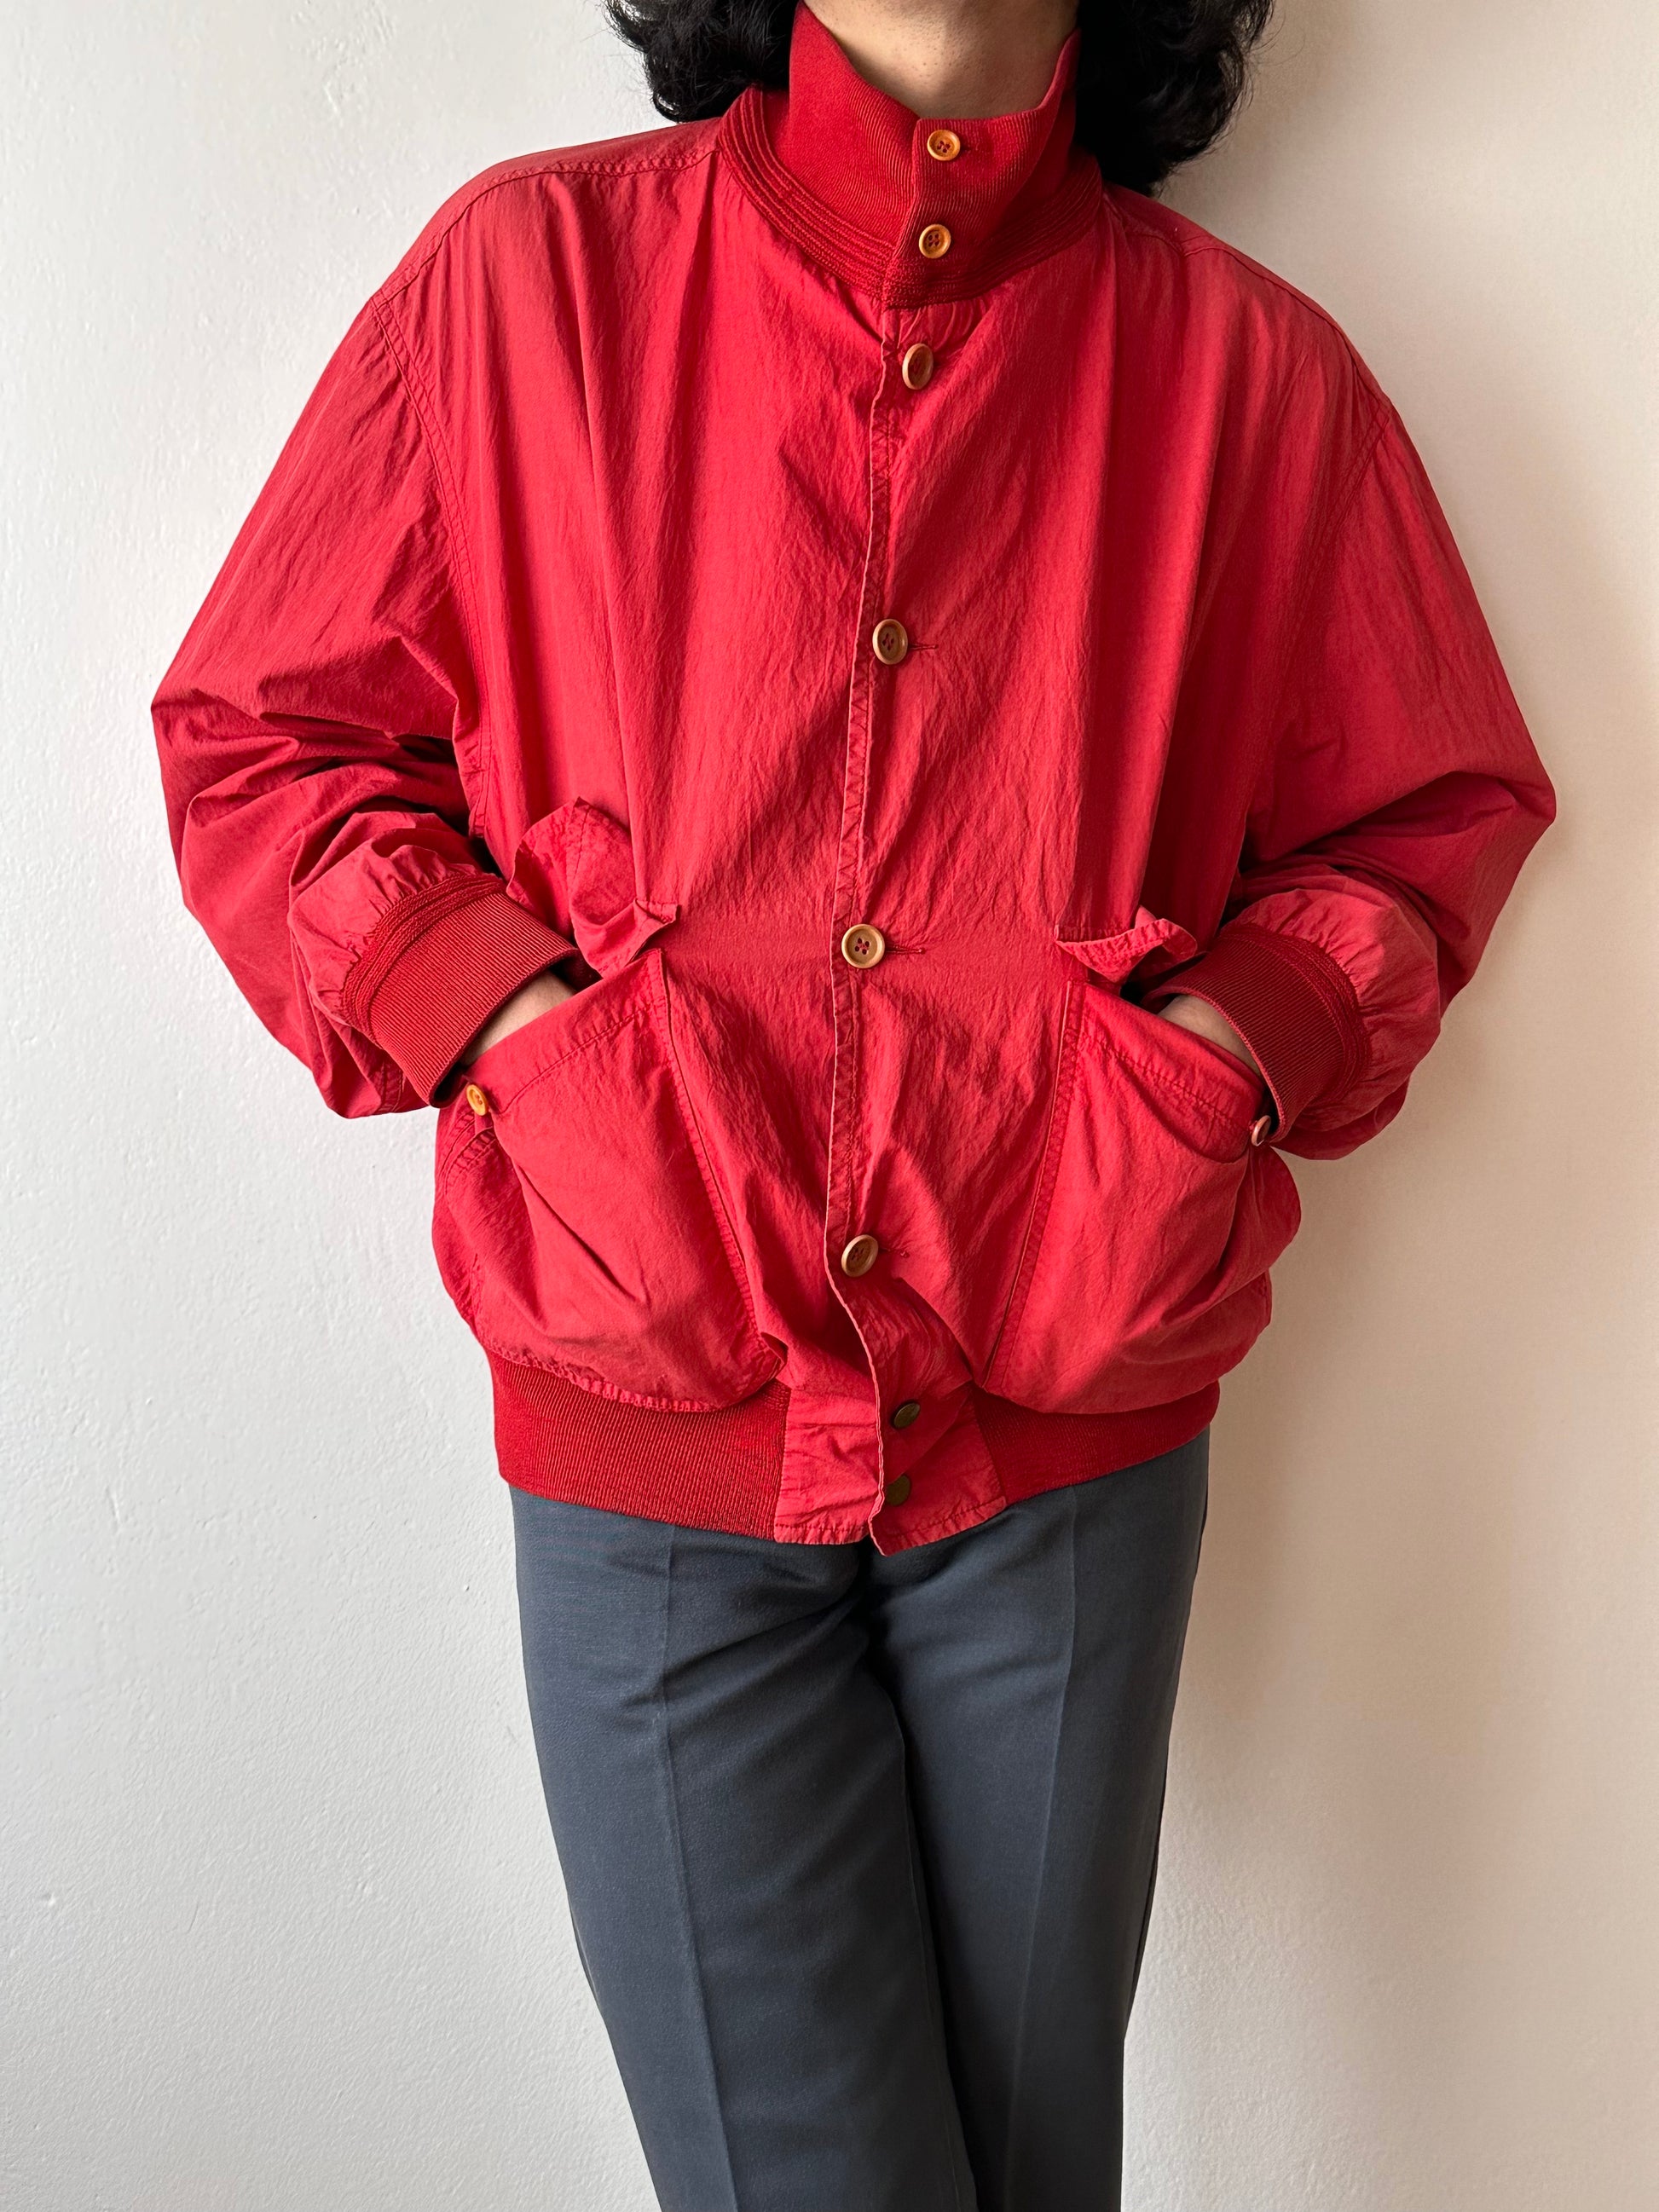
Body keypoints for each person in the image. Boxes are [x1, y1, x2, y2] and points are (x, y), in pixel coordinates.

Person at [151, 0, 1556, 2203]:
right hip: (652, 1428)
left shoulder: (1248, 376)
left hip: (1070, 1448)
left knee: (1035, 2170)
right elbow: (267, 735)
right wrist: (525, 1038)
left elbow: (1426, 807)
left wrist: (1202, 1073)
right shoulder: (527, 285)